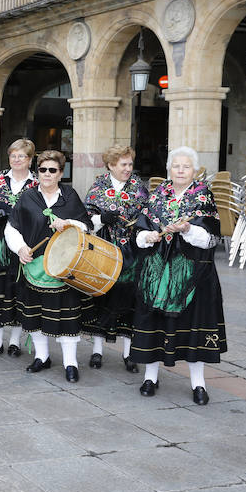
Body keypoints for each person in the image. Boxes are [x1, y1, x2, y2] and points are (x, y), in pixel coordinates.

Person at [131, 146, 227, 405]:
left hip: (194, 275)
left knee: (194, 329)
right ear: (169, 169)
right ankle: (150, 377)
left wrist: (186, 229)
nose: (181, 170)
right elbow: (140, 230)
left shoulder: (203, 196)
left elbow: (210, 238)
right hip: (157, 274)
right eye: (176, 166)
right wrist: (147, 237)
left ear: (195, 170)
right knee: (153, 324)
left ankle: (199, 384)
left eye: (186, 166)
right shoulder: (158, 196)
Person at [5, 150, 93, 382]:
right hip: (34, 265)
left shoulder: (70, 196)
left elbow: (86, 226)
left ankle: (70, 363)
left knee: (66, 316)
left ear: (61, 173)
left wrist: (69, 223)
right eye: (42, 170)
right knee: (34, 314)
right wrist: (21, 248)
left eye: (52, 170)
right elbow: (11, 227)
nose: (46, 174)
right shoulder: (28, 197)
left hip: (64, 268)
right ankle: (42, 357)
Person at [82, 145, 149, 373]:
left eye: (130, 164)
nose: (128, 169)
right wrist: (102, 218)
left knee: (129, 299)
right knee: (102, 295)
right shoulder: (99, 186)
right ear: (111, 165)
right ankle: (97, 351)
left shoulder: (139, 187)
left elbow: (148, 216)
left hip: (131, 250)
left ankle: (129, 353)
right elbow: (86, 216)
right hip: (104, 248)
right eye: (123, 164)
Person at [0, 139, 38, 359]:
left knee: (17, 290)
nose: (16, 159)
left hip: (24, 244)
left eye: (21, 156)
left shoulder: (35, 183)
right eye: (13, 155)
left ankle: (14, 341)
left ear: (30, 160)